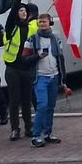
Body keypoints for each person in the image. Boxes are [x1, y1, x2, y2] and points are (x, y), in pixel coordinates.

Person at [25, 13, 67, 147]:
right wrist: (37, 56)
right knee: (42, 105)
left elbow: (60, 59)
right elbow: (24, 59)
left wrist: (62, 78)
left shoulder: (56, 39)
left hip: (54, 76)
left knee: (50, 106)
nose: (42, 24)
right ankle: (36, 135)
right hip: (40, 77)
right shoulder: (31, 39)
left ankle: (48, 133)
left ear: (50, 23)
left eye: (44, 22)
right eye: (40, 22)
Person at [3, 0, 35, 140]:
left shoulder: (31, 28)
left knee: (27, 100)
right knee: (14, 100)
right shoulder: (11, 27)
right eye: (20, 10)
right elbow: (10, 15)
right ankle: (15, 128)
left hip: (26, 68)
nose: (23, 12)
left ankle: (29, 127)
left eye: (25, 11)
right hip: (13, 68)